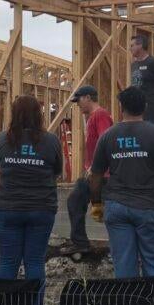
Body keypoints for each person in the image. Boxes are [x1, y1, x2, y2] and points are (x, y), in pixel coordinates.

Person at [89, 86, 154, 278]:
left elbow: (96, 175)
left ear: (121, 107)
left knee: (124, 267)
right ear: (144, 107)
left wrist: (96, 203)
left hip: (116, 207)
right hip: (149, 208)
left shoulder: (108, 136)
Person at [0, 95, 63, 305]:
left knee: (7, 263)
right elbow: (58, 171)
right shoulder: (51, 141)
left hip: (9, 208)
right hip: (41, 208)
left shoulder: (4, 140)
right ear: (39, 115)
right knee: (34, 262)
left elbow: (0, 165)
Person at [58, 85, 113, 258]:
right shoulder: (92, 117)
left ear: (88, 97)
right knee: (75, 201)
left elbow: (106, 142)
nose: (78, 105)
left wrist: (96, 168)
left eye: (79, 100)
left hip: (102, 175)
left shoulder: (101, 115)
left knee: (109, 212)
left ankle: (118, 246)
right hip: (94, 174)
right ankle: (80, 243)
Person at [129, 35, 154, 127]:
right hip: (136, 111)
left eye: (132, 45)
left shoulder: (153, 63)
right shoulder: (134, 65)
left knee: (151, 138)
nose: (130, 48)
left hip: (151, 112)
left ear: (140, 45)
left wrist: (151, 86)